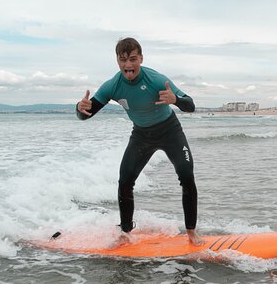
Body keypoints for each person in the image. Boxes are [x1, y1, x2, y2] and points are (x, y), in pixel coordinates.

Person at [76, 37, 205, 246]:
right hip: (142, 136)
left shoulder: (155, 79)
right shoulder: (112, 86)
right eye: (123, 60)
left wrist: (176, 100)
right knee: (125, 180)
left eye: (133, 59)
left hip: (170, 131)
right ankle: (125, 233)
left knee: (186, 175)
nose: (128, 65)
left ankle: (191, 232)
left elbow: (190, 105)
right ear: (117, 61)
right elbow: (86, 114)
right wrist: (79, 109)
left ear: (141, 59)